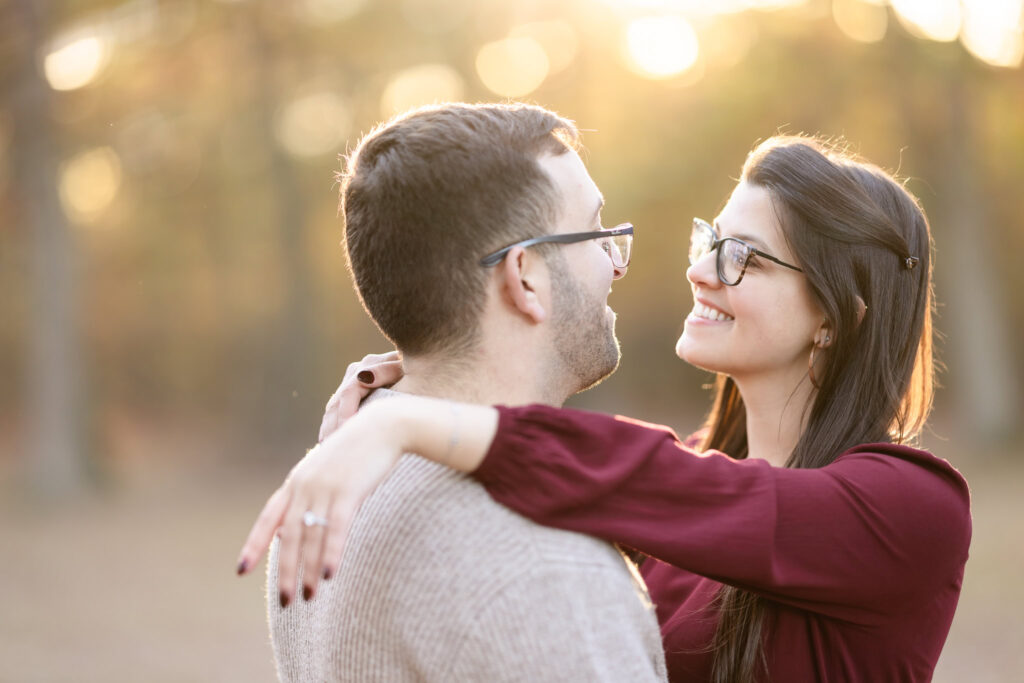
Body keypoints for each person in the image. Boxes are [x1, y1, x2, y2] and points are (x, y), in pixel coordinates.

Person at [238, 134, 971, 682]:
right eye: (709, 239)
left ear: (836, 317)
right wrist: (411, 383)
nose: (697, 270)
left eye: (741, 256)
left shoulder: (911, 509)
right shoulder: (682, 489)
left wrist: (410, 420)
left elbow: (658, 479)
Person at [241, 102, 668, 682]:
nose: (615, 264)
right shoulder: (546, 567)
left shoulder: (334, 486)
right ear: (524, 277)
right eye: (596, 233)